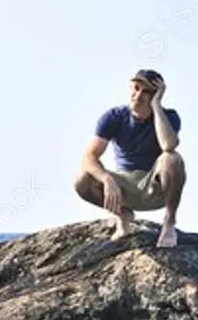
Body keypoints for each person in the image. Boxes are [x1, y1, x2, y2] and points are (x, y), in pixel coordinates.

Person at [74, 69, 186, 248]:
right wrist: (107, 179)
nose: (138, 95)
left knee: (171, 158)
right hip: (124, 187)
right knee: (82, 178)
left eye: (146, 92)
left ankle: (170, 222)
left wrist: (156, 106)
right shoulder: (113, 117)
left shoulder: (170, 117)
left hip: (155, 188)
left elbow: (168, 146)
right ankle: (123, 215)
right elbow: (89, 156)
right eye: (136, 88)